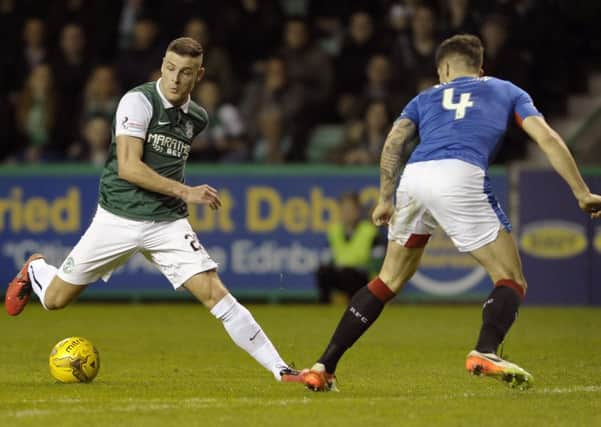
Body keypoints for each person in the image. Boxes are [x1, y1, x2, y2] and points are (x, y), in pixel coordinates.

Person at [299, 34, 601, 391]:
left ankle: (324, 365)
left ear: (443, 68)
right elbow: (548, 138)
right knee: (510, 279)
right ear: (480, 67)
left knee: (387, 280)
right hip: (460, 174)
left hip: (415, 176)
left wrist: (385, 198)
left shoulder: (424, 97)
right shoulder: (507, 91)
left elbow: (395, 141)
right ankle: (486, 350)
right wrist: (581, 192)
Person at [5, 37, 304, 385]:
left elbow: (168, 161)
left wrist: (178, 197)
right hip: (117, 217)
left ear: (199, 75)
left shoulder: (197, 117)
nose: (175, 79)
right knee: (55, 301)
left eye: (185, 72)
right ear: (162, 64)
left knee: (214, 292)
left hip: (167, 222)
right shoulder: (138, 101)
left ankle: (281, 370)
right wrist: (185, 191)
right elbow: (129, 168)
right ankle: (37, 267)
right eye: (170, 68)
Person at [316, 192, 383, 303]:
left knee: (350, 274)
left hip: (361, 275)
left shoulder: (370, 231)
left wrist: (368, 269)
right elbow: (327, 256)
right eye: (344, 210)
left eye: (350, 210)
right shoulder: (334, 231)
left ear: (358, 211)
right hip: (340, 273)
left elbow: (378, 260)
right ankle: (324, 306)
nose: (347, 214)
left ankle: (356, 306)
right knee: (323, 272)